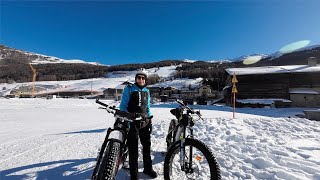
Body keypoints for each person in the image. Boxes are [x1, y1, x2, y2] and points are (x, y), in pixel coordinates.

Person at [120, 68, 157, 180]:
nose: (140, 79)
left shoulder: (147, 91)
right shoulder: (129, 89)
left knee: (146, 147)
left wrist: (150, 119)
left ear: (145, 80)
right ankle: (134, 173)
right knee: (133, 149)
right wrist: (128, 119)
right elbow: (123, 106)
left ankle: (148, 168)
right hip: (133, 123)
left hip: (145, 122)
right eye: (138, 77)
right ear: (136, 78)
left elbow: (148, 107)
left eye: (143, 78)